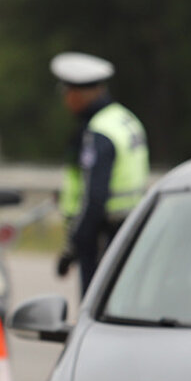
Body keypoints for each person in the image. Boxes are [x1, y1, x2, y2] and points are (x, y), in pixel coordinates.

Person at [51, 52, 149, 295]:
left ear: (78, 94)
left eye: (67, 94)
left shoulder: (99, 131)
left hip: (102, 234)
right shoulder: (124, 118)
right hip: (128, 227)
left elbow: (95, 197)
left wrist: (74, 245)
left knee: (95, 303)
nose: (65, 101)